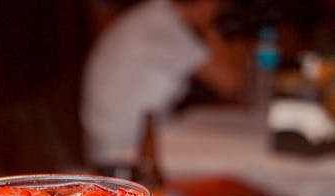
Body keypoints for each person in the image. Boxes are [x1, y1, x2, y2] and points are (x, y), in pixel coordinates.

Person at [80, 0, 246, 168]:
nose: (220, 9)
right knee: (238, 162)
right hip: (125, 154)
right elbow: (231, 83)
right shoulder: (163, 27)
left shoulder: (155, 16)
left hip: (127, 142)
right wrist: (210, 28)